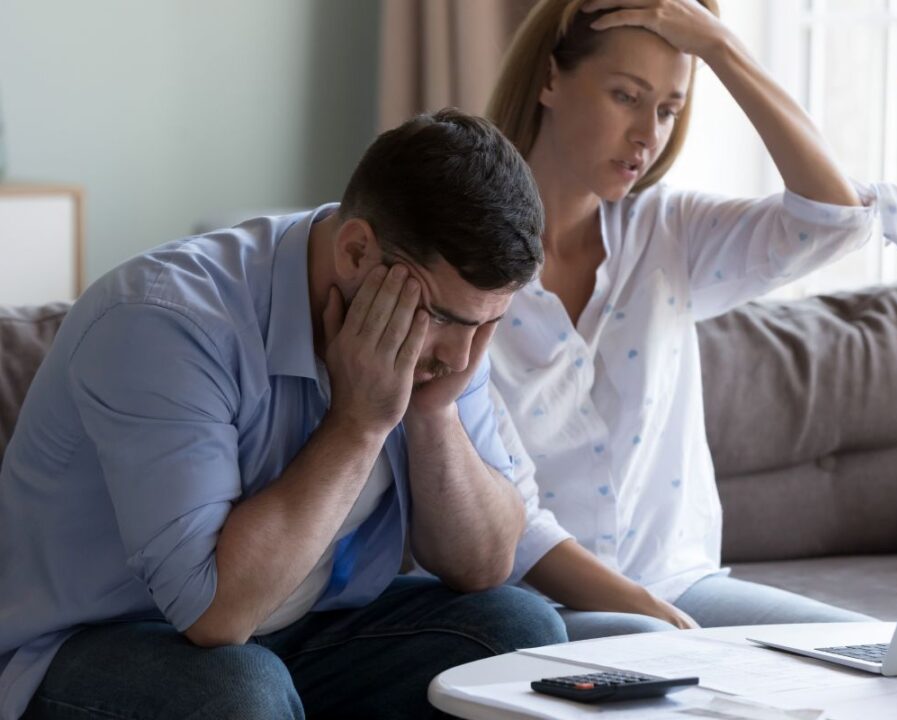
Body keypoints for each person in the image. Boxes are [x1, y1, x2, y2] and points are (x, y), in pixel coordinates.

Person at [0, 108, 568, 720]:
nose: (462, 356)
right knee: (238, 690)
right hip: (89, 648)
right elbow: (214, 612)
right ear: (355, 252)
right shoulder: (164, 321)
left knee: (514, 631)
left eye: (488, 325)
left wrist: (434, 414)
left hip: (297, 633)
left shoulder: (446, 333)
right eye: (446, 320)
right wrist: (360, 423)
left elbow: (484, 564)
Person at [485, 0, 897, 640]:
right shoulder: (465, 266)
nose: (647, 135)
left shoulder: (671, 233)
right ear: (550, 80)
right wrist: (657, 621)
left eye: (667, 110)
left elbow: (835, 218)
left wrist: (721, 48)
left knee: (879, 654)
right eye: (626, 96)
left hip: (681, 588)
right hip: (534, 606)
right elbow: (505, 515)